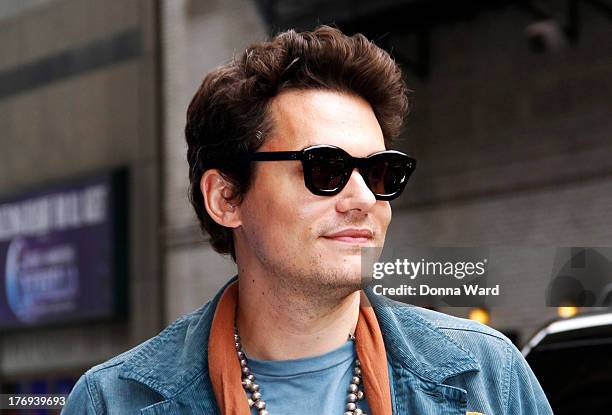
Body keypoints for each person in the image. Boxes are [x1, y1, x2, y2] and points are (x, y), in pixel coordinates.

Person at [62, 26, 553, 415]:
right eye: (326, 170)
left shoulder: (487, 376)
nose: (362, 197)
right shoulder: (115, 401)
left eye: (381, 172)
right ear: (226, 197)